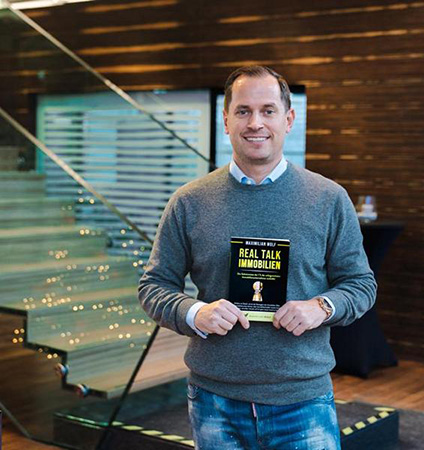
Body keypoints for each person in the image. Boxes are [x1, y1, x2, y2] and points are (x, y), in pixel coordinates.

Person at [138, 66, 377, 450]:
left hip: (302, 398)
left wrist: (320, 307)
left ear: (289, 119)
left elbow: (361, 284)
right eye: (243, 111)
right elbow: (154, 286)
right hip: (215, 399)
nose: (255, 123)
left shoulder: (329, 199)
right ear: (226, 120)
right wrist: (195, 313)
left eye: (268, 110)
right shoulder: (189, 202)